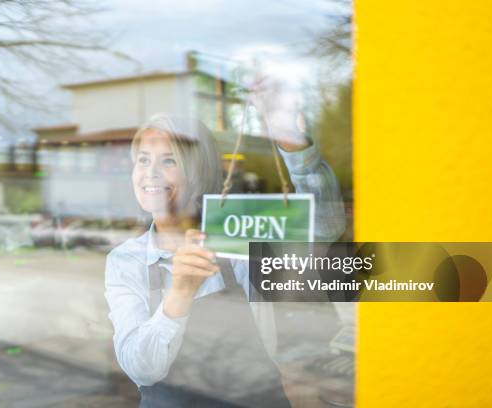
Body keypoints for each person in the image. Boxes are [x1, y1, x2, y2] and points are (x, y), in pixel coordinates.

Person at [104, 88, 346, 407]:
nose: (150, 172)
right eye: (143, 160)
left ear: (197, 169)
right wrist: (179, 294)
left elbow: (323, 227)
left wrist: (292, 142)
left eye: (169, 160)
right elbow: (141, 369)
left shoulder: (235, 233)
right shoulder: (127, 259)